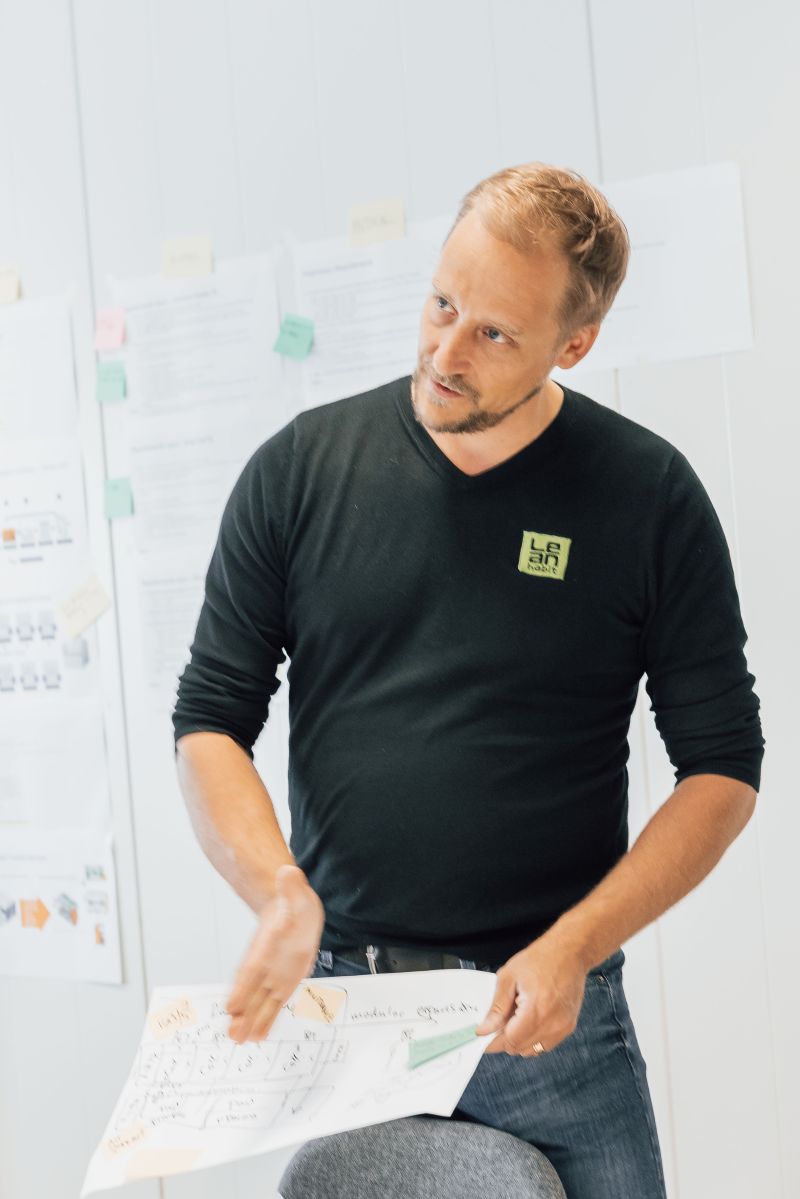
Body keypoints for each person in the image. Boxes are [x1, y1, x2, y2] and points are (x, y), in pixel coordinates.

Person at [172, 162, 765, 1198]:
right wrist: (276, 890)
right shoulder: (302, 469)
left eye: (492, 332)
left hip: (547, 1021)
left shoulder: (646, 496)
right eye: (441, 302)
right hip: (350, 1008)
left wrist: (577, 943)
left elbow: (720, 767)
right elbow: (210, 717)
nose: (444, 352)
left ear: (571, 345)